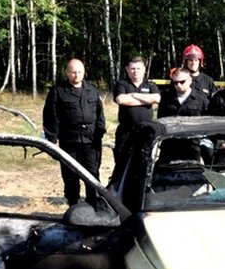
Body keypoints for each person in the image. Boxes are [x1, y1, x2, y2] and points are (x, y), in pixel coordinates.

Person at [42, 59, 106, 206]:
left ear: (84, 72)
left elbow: (99, 113)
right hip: (69, 139)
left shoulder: (92, 90)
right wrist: (51, 140)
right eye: (73, 72)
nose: (76, 75)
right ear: (67, 73)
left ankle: (94, 202)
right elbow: (50, 116)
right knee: (70, 173)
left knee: (92, 172)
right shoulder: (58, 91)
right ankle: (74, 203)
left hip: (91, 139)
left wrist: (100, 132)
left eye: (79, 72)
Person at [113, 56, 160, 161]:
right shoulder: (122, 83)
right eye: (132, 69)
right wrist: (146, 100)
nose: (135, 72)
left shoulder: (150, 84)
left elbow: (157, 98)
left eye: (138, 69)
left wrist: (134, 95)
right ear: (127, 70)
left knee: (144, 161)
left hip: (146, 131)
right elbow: (121, 100)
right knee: (122, 161)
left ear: (144, 70)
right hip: (126, 132)